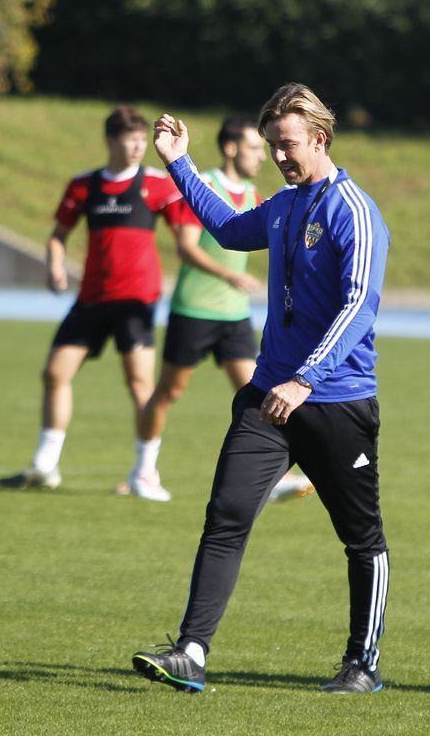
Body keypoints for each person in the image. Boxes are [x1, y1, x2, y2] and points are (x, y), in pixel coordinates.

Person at [132, 84, 392, 694]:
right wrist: (177, 162)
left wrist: (306, 379)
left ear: (320, 139)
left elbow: (359, 308)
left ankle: (362, 664)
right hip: (268, 396)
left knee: (362, 539)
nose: (278, 156)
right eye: (271, 145)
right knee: (225, 515)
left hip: (336, 402)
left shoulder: (353, 210)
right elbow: (224, 227)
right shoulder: (283, 205)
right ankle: (191, 652)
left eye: (287, 145)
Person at [0, 105, 197, 500]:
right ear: (111, 141)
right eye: (132, 140)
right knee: (55, 373)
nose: (140, 146)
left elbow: (189, 232)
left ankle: (146, 472)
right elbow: (58, 235)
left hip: (136, 301)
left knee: (141, 385)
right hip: (91, 300)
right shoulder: (83, 185)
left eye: (143, 139)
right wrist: (56, 266)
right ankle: (45, 465)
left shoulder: (158, 184)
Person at [124, 117, 315, 504]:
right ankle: (142, 471)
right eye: (255, 148)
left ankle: (273, 474)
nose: (264, 156)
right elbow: (187, 246)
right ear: (231, 148)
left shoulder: (255, 193)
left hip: (234, 315)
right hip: (195, 309)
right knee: (168, 392)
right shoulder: (200, 184)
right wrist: (229, 275)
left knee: (264, 393)